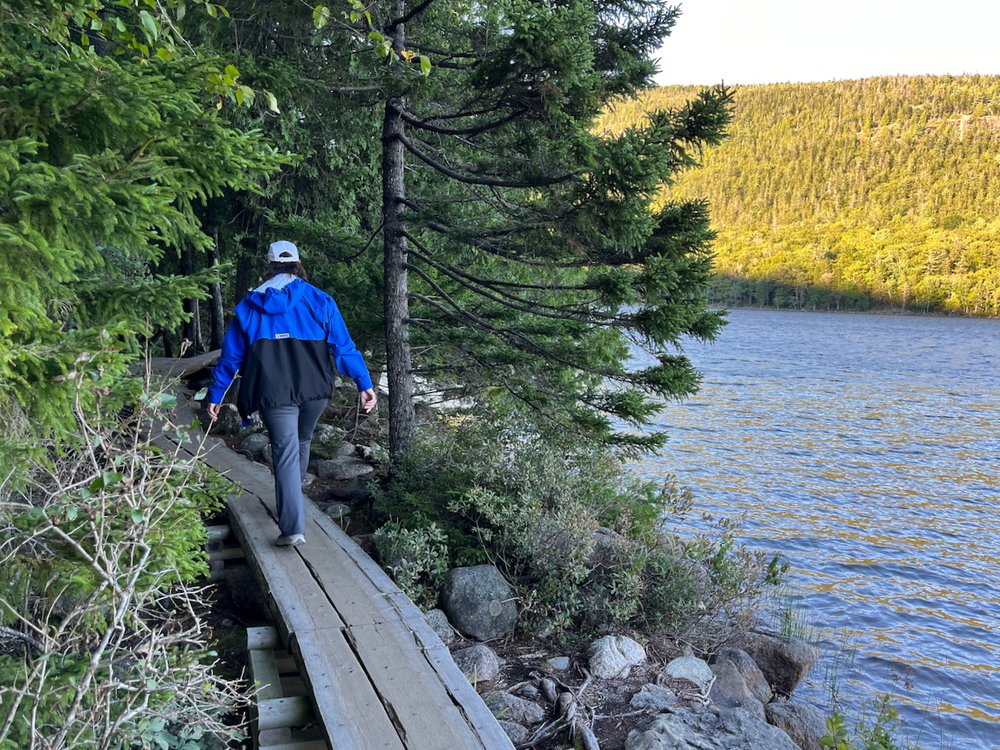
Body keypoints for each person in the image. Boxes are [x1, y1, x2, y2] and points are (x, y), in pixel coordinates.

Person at [206, 240, 377, 548]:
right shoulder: (320, 300)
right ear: (298, 263)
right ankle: (291, 504)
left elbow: (230, 360)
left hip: (275, 393)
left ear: (269, 265)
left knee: (285, 451)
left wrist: (215, 396)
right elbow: (343, 347)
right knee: (301, 442)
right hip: (315, 391)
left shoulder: (248, 307)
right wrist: (364, 384)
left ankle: (293, 527)